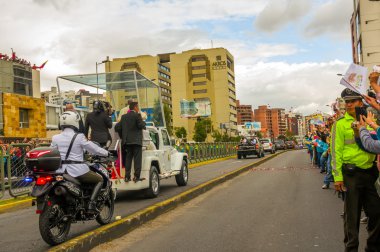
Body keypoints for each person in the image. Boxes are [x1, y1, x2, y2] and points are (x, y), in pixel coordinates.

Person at [331, 88, 379, 251]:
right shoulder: (340, 124)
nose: (349, 104)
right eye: (347, 102)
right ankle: (351, 249)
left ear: (361, 102)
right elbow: (336, 152)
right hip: (351, 174)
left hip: (371, 173)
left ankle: (372, 248)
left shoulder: (370, 119)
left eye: (353, 101)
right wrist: (337, 177)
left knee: (377, 214)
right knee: (352, 217)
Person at [52, 111, 109, 213]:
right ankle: (91, 204)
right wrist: (107, 153)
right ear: (75, 122)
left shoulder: (55, 138)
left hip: (60, 171)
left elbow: (52, 152)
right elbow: (94, 148)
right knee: (99, 179)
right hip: (77, 171)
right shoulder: (79, 137)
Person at [115, 101, 146, 182]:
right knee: (137, 160)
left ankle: (127, 176)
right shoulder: (137, 115)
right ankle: (136, 177)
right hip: (136, 142)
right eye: (137, 107)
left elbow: (117, 128)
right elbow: (141, 125)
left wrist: (123, 136)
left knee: (128, 159)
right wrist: (143, 122)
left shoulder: (124, 117)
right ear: (135, 107)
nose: (138, 108)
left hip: (127, 142)